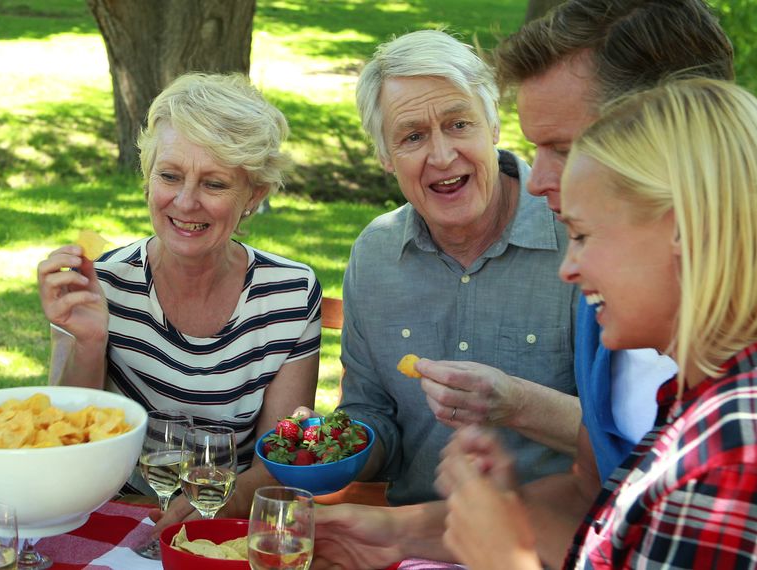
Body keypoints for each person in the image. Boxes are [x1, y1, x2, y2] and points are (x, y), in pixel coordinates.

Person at [311, 4, 735, 568]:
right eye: (412, 135)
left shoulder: (733, 422)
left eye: (565, 148)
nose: (541, 180)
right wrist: (391, 529)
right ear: (386, 157)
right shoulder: (627, 315)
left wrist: (501, 555)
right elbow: (590, 492)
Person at [442, 77, 757, 570]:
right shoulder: (693, 401)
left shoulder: (730, 452)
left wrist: (506, 559)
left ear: (682, 230)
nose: (569, 268)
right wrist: (507, 510)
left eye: (584, 235)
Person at [37, 73, 320, 530]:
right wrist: (86, 341)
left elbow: (279, 460)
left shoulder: (289, 292)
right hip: (114, 517)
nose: (186, 203)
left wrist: (221, 505)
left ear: (254, 196)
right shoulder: (104, 282)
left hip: (226, 524)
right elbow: (66, 440)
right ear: (148, 178)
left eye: (214, 184)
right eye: (170, 176)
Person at [332, 29, 579, 510]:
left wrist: (519, 403)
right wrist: (331, 448)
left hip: (554, 540)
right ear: (385, 155)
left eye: (459, 124)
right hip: (410, 538)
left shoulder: (576, 235)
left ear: (494, 127)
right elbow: (370, 414)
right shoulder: (376, 254)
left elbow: (634, 437)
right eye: (412, 136)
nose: (442, 156)